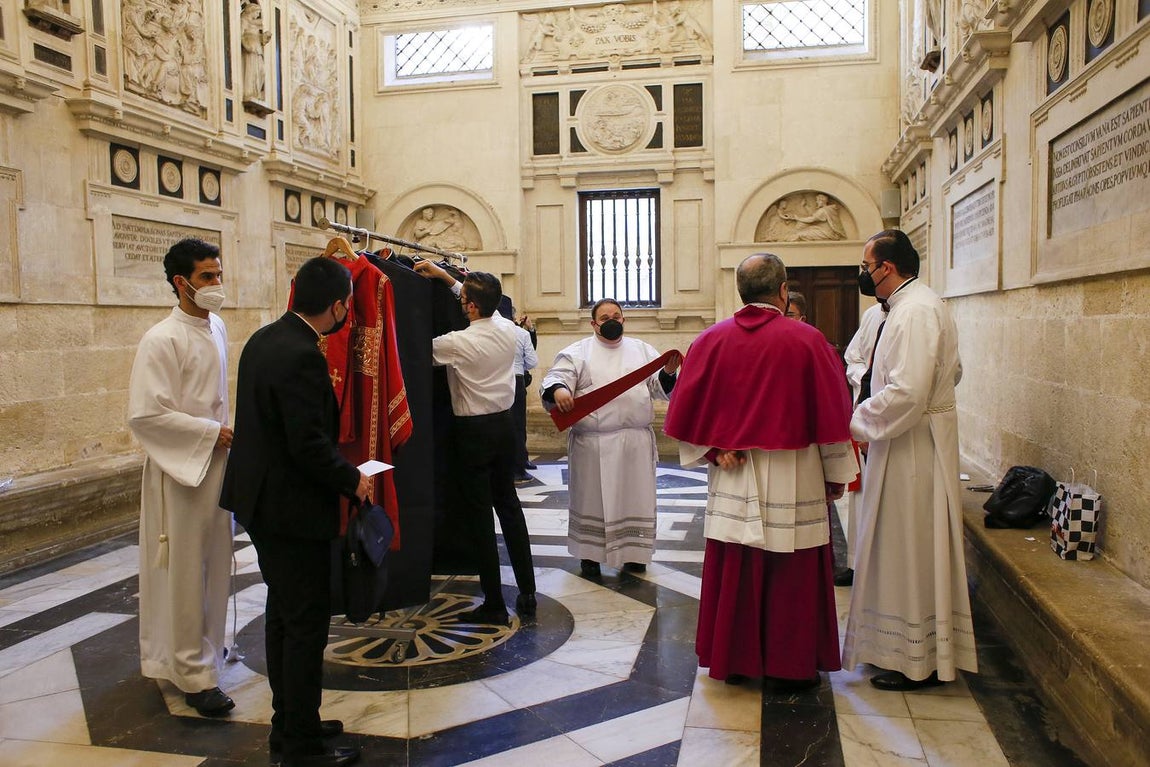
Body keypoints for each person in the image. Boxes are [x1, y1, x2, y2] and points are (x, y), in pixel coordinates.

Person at [663, 253, 856, 688]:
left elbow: (683, 412)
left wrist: (714, 451)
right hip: (796, 473)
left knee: (737, 564)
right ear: (783, 291)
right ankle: (791, 665)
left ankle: (735, 660)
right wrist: (836, 473)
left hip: (735, 475)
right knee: (793, 569)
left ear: (740, 291)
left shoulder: (710, 341)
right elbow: (832, 413)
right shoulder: (808, 341)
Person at [220, 257, 370, 767]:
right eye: (347, 305)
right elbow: (307, 444)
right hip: (291, 509)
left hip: (261, 501)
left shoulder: (266, 338)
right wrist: (352, 479)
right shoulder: (303, 354)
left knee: (284, 614)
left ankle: (291, 721)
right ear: (338, 305)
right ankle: (301, 746)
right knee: (305, 624)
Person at [841, 230, 977, 691]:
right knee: (898, 544)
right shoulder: (908, 306)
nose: (864, 273)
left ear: (887, 267)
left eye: (867, 265)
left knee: (911, 545)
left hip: (914, 447)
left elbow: (908, 392)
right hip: (906, 439)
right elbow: (951, 372)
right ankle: (897, 649)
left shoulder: (916, 311)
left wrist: (855, 421)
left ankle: (918, 661)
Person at [127, 238, 234, 717]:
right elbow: (146, 414)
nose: (216, 284)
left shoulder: (217, 327)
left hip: (216, 465)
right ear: (181, 282)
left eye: (218, 274)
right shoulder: (161, 339)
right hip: (181, 470)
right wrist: (211, 433)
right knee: (186, 571)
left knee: (215, 563)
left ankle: (208, 651)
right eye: (207, 276)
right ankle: (190, 672)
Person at [412, 261, 538, 624]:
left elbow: (415, 352)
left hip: (473, 433)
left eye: (464, 299)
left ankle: (494, 602)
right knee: (510, 508)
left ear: (470, 306)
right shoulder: (510, 330)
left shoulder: (457, 342)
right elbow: (479, 303)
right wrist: (446, 277)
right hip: (505, 428)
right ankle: (528, 593)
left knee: (480, 517)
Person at [540, 299, 681, 577]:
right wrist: (559, 391)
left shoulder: (642, 350)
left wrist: (667, 373)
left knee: (635, 500)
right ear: (594, 324)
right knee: (592, 501)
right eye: (605, 318)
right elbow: (556, 378)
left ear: (624, 320)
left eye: (617, 316)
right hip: (593, 445)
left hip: (634, 443)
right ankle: (590, 556)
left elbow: (658, 388)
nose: (612, 321)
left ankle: (634, 554)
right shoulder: (577, 352)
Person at [836, 298, 887, 586]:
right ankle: (857, 564)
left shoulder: (917, 314)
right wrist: (867, 376)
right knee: (862, 495)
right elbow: (853, 357)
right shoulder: (872, 316)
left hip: (896, 419)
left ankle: (887, 568)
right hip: (867, 410)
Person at [496, 296, 538, 483]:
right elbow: (532, 361)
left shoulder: (490, 331)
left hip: (495, 381)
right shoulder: (521, 334)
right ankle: (518, 469)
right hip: (516, 380)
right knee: (518, 425)